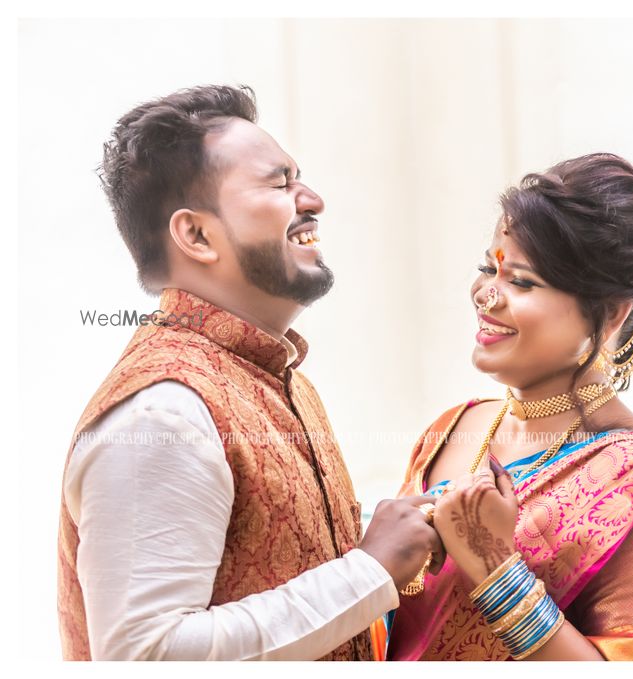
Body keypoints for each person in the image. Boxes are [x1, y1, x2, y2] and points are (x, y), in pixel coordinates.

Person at [57, 84, 443, 660]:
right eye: (279, 183)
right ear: (196, 235)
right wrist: (371, 569)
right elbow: (146, 656)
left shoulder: (278, 379)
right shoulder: (164, 410)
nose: (312, 199)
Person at [387, 153, 633, 661]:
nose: (485, 295)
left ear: (610, 313)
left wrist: (494, 567)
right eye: (488, 268)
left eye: (521, 282)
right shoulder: (454, 428)